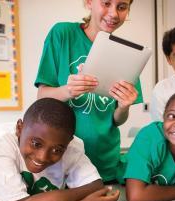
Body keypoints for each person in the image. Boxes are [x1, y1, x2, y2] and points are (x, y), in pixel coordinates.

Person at [34, 0, 142, 183]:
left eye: (122, 7)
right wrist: (68, 91)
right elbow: (42, 96)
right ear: (89, 2)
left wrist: (124, 107)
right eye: (106, 3)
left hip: (105, 161)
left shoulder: (127, 54)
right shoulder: (63, 34)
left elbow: (117, 120)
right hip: (62, 159)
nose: (114, 13)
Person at [0, 98, 119, 201]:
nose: (42, 157)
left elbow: (95, 185)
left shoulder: (71, 145)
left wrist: (57, 197)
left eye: (57, 150)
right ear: (19, 129)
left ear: (69, 142)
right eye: (36, 144)